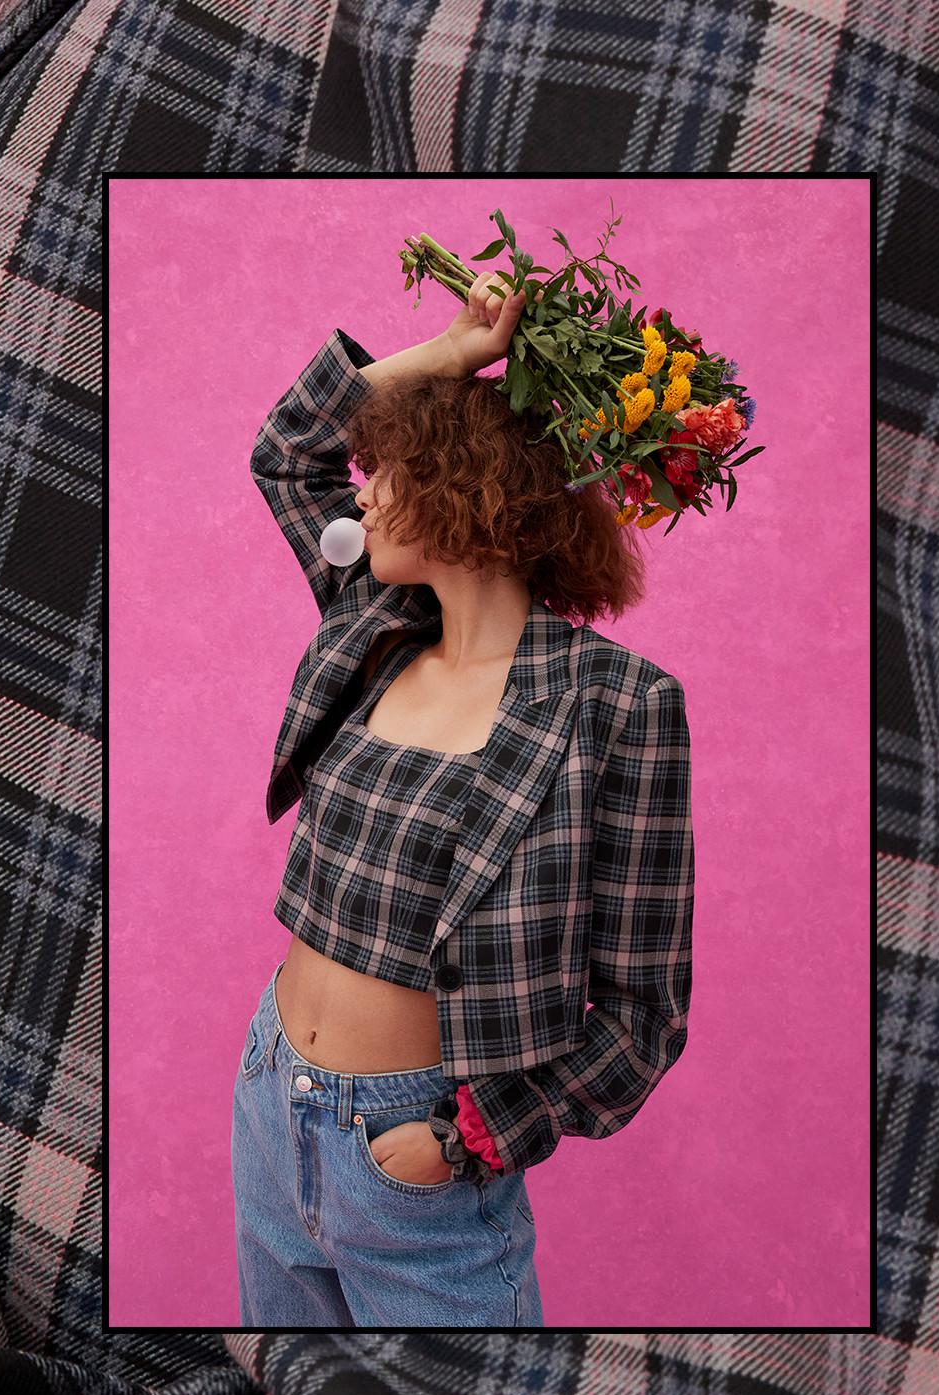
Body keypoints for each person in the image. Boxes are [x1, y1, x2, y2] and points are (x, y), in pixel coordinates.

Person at [232, 272, 694, 1328]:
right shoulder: (373, 622)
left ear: (463, 492)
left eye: (389, 472)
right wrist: (449, 355)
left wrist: (467, 1138)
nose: (361, 495)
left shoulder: (616, 706)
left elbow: (640, 1018)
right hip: (269, 1101)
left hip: (414, 1150)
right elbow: (287, 450)